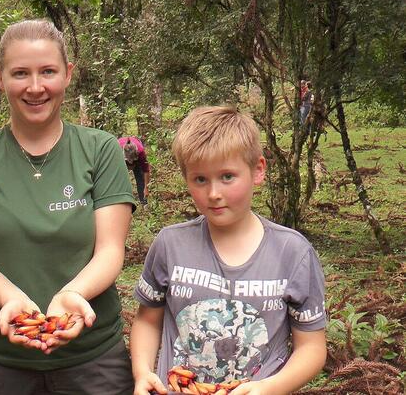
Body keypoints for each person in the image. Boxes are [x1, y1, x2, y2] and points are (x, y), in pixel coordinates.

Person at [0, 19, 135, 395]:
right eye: (20, 73)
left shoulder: (99, 150)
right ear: (0, 79)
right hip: (3, 362)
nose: (35, 87)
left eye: (48, 71)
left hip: (94, 360)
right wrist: (12, 299)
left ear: (68, 74)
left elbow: (111, 249)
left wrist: (71, 297)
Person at [130, 106, 327, 395]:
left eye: (227, 177)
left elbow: (311, 347)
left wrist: (269, 388)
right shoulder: (170, 245)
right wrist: (142, 372)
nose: (213, 193)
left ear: (257, 170)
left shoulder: (292, 253)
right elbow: (147, 321)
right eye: (200, 179)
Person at [118, 136, 151, 205]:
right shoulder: (116, 150)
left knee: (140, 178)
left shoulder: (141, 152)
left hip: (136, 157)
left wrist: (146, 188)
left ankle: (144, 203)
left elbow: (146, 170)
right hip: (120, 156)